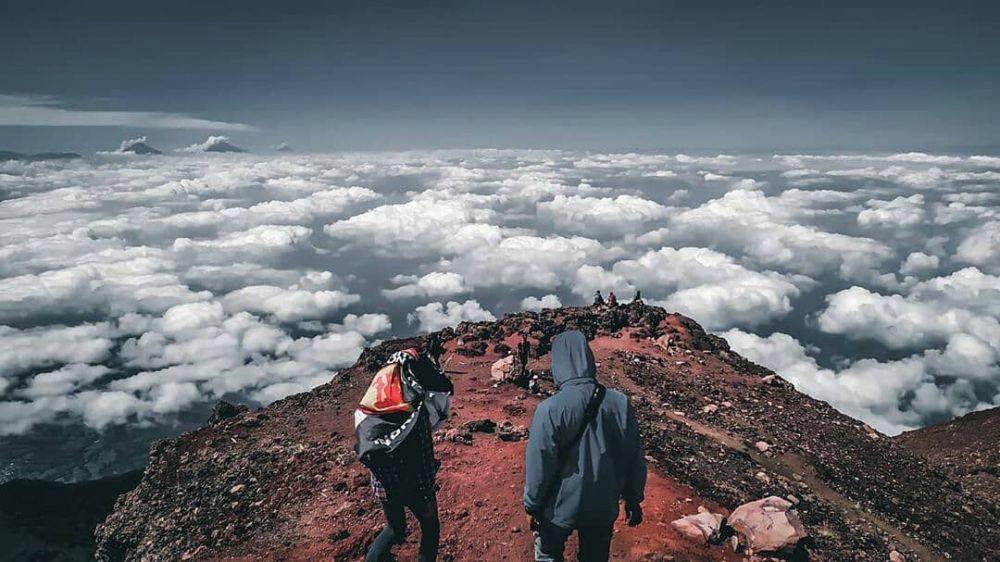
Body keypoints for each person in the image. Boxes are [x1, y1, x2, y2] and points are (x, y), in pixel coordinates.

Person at [523, 331, 647, 562]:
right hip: (603, 505)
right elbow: (633, 455)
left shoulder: (550, 409)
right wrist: (633, 498)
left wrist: (532, 505)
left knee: (548, 554)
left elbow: (540, 463)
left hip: (559, 507)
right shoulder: (619, 403)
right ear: (588, 357)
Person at [355, 348, 454, 562]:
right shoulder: (415, 412)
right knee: (430, 528)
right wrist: (428, 490)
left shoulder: (375, 407)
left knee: (394, 528)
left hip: (383, 484)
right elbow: (424, 460)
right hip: (414, 485)